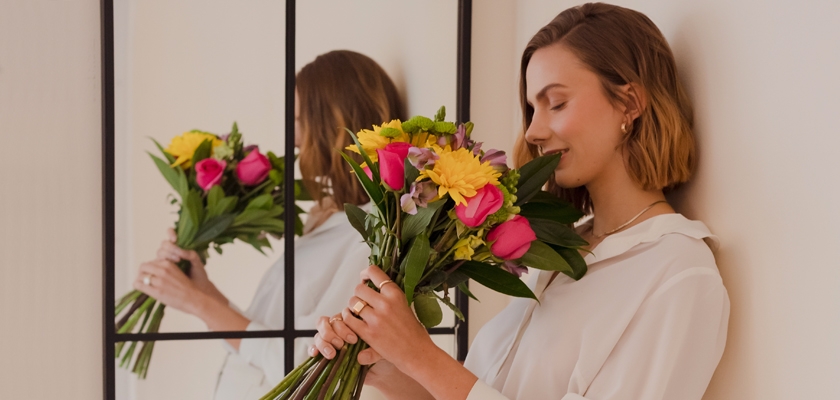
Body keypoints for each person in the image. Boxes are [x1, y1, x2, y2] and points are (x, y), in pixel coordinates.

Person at [310, 4, 730, 399]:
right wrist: (387, 361)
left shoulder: (678, 275)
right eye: (532, 108)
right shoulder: (561, 251)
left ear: (630, 103)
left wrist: (421, 355)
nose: (532, 132)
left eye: (557, 103)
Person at [132, 50, 406, 399]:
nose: (293, 139)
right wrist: (203, 291)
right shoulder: (331, 219)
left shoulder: (370, 235)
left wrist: (198, 304)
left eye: (299, 122)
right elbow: (270, 334)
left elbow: (310, 362)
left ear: (332, 128)